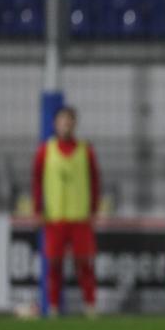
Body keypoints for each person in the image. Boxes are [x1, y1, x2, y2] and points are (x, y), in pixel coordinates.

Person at [31, 106, 100, 318]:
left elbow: (95, 180)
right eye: (62, 121)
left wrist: (94, 208)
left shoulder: (85, 150)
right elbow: (36, 180)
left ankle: (90, 307)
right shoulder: (46, 150)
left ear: (74, 123)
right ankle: (52, 307)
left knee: (85, 263)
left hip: (80, 216)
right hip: (55, 217)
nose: (66, 124)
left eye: (69, 121)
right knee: (54, 265)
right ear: (55, 124)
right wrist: (38, 209)